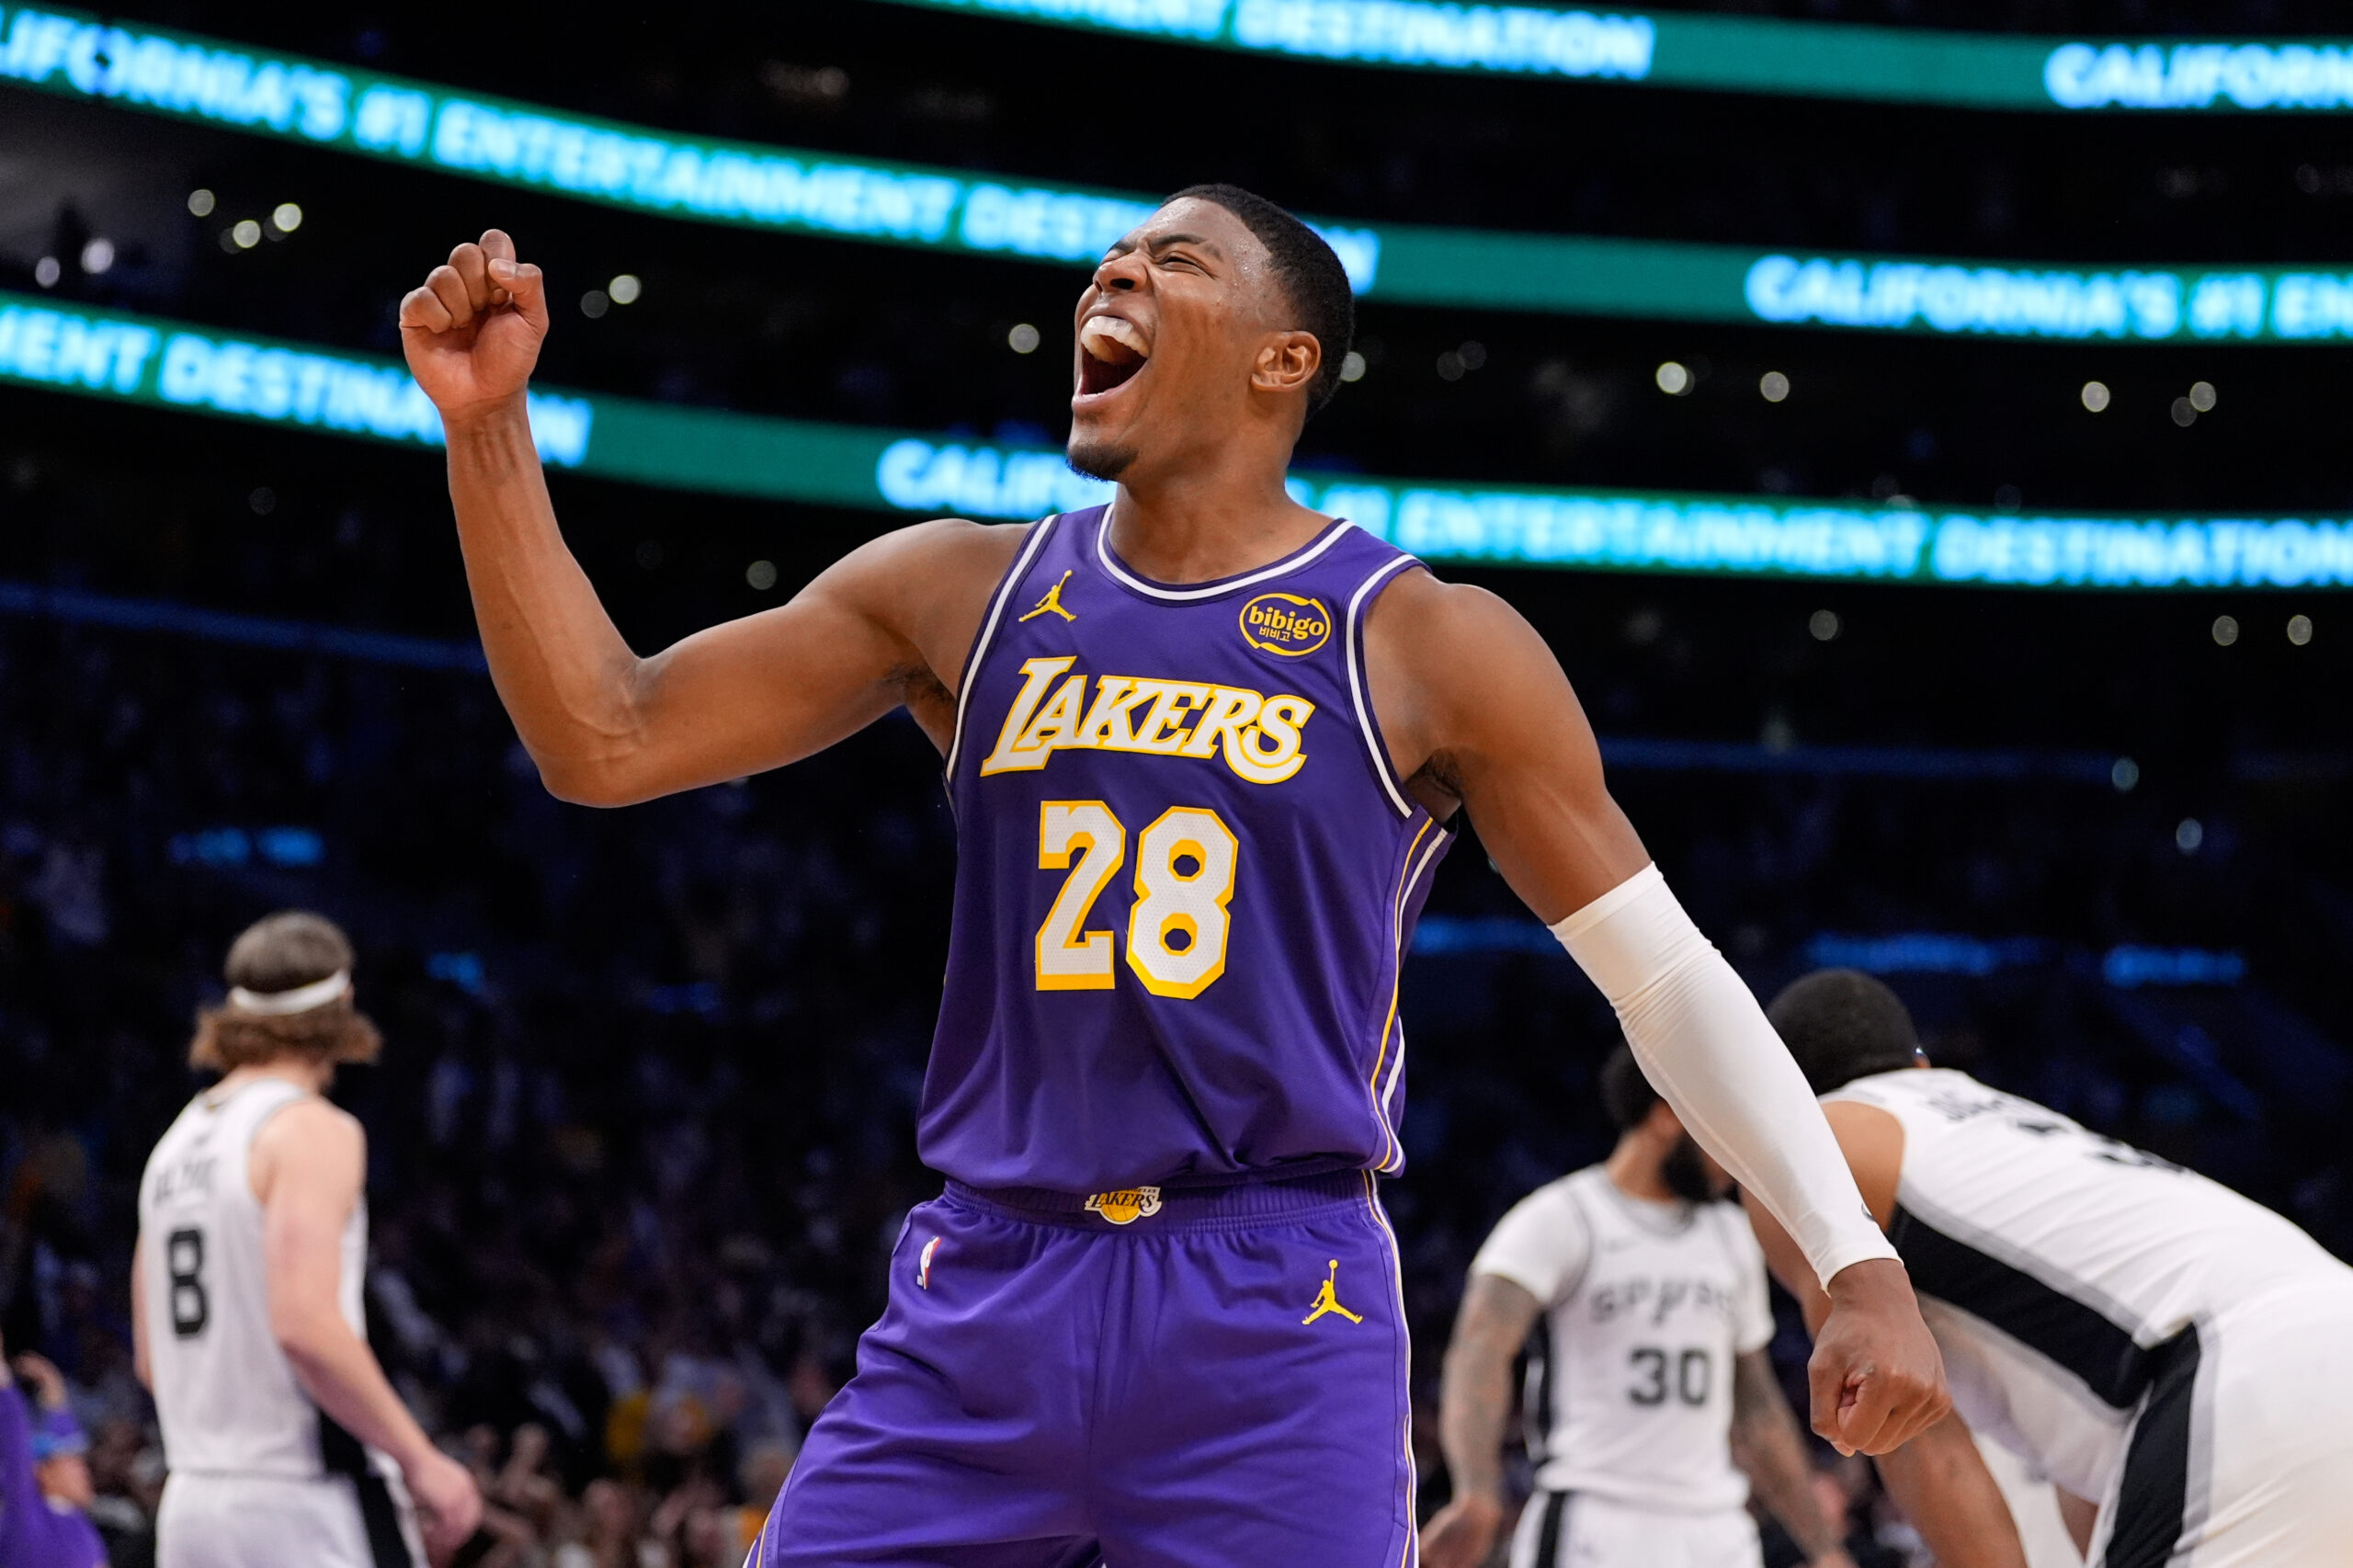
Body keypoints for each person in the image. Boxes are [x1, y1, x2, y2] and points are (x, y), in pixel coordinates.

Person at [398, 185, 1948, 1564]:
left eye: (1175, 261)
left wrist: (1852, 1255)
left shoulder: (1424, 640)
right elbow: (606, 737)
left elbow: (1662, 975)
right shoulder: (961, 587)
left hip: (1273, 1295)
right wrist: (487, 431)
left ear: (1285, 360)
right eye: (1111, 259)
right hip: (987, 1282)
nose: (1114, 276)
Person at [1755, 968, 2353, 1568]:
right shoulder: (2013, 1123)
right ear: (1920, 1065)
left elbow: (1907, 1431)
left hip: (2227, 1373)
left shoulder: (1815, 1143)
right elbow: (2088, 1466)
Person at [133, 912, 483, 1567]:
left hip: (191, 1506)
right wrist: (420, 1459)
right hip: (300, 1500)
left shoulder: (173, 1145)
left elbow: (153, 1359)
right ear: (343, 1002)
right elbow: (304, 1324)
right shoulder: (310, 1129)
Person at [1423, 1045, 1859, 1568]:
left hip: (1715, 1527)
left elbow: (1756, 1405)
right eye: (1724, 1132)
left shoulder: (1734, 1235)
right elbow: (1480, 1349)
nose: (1736, 1156)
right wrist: (1476, 1489)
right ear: (1667, 1114)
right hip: (1594, 1516)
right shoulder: (1561, 1217)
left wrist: (1823, 1547)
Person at [0, 1337, 106, 1568]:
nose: (84, 1471)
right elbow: (15, 1443)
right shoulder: (25, 1517)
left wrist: (54, 1385)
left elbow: (65, 1438)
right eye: (72, 1463)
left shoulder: (82, 1527)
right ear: (43, 1472)